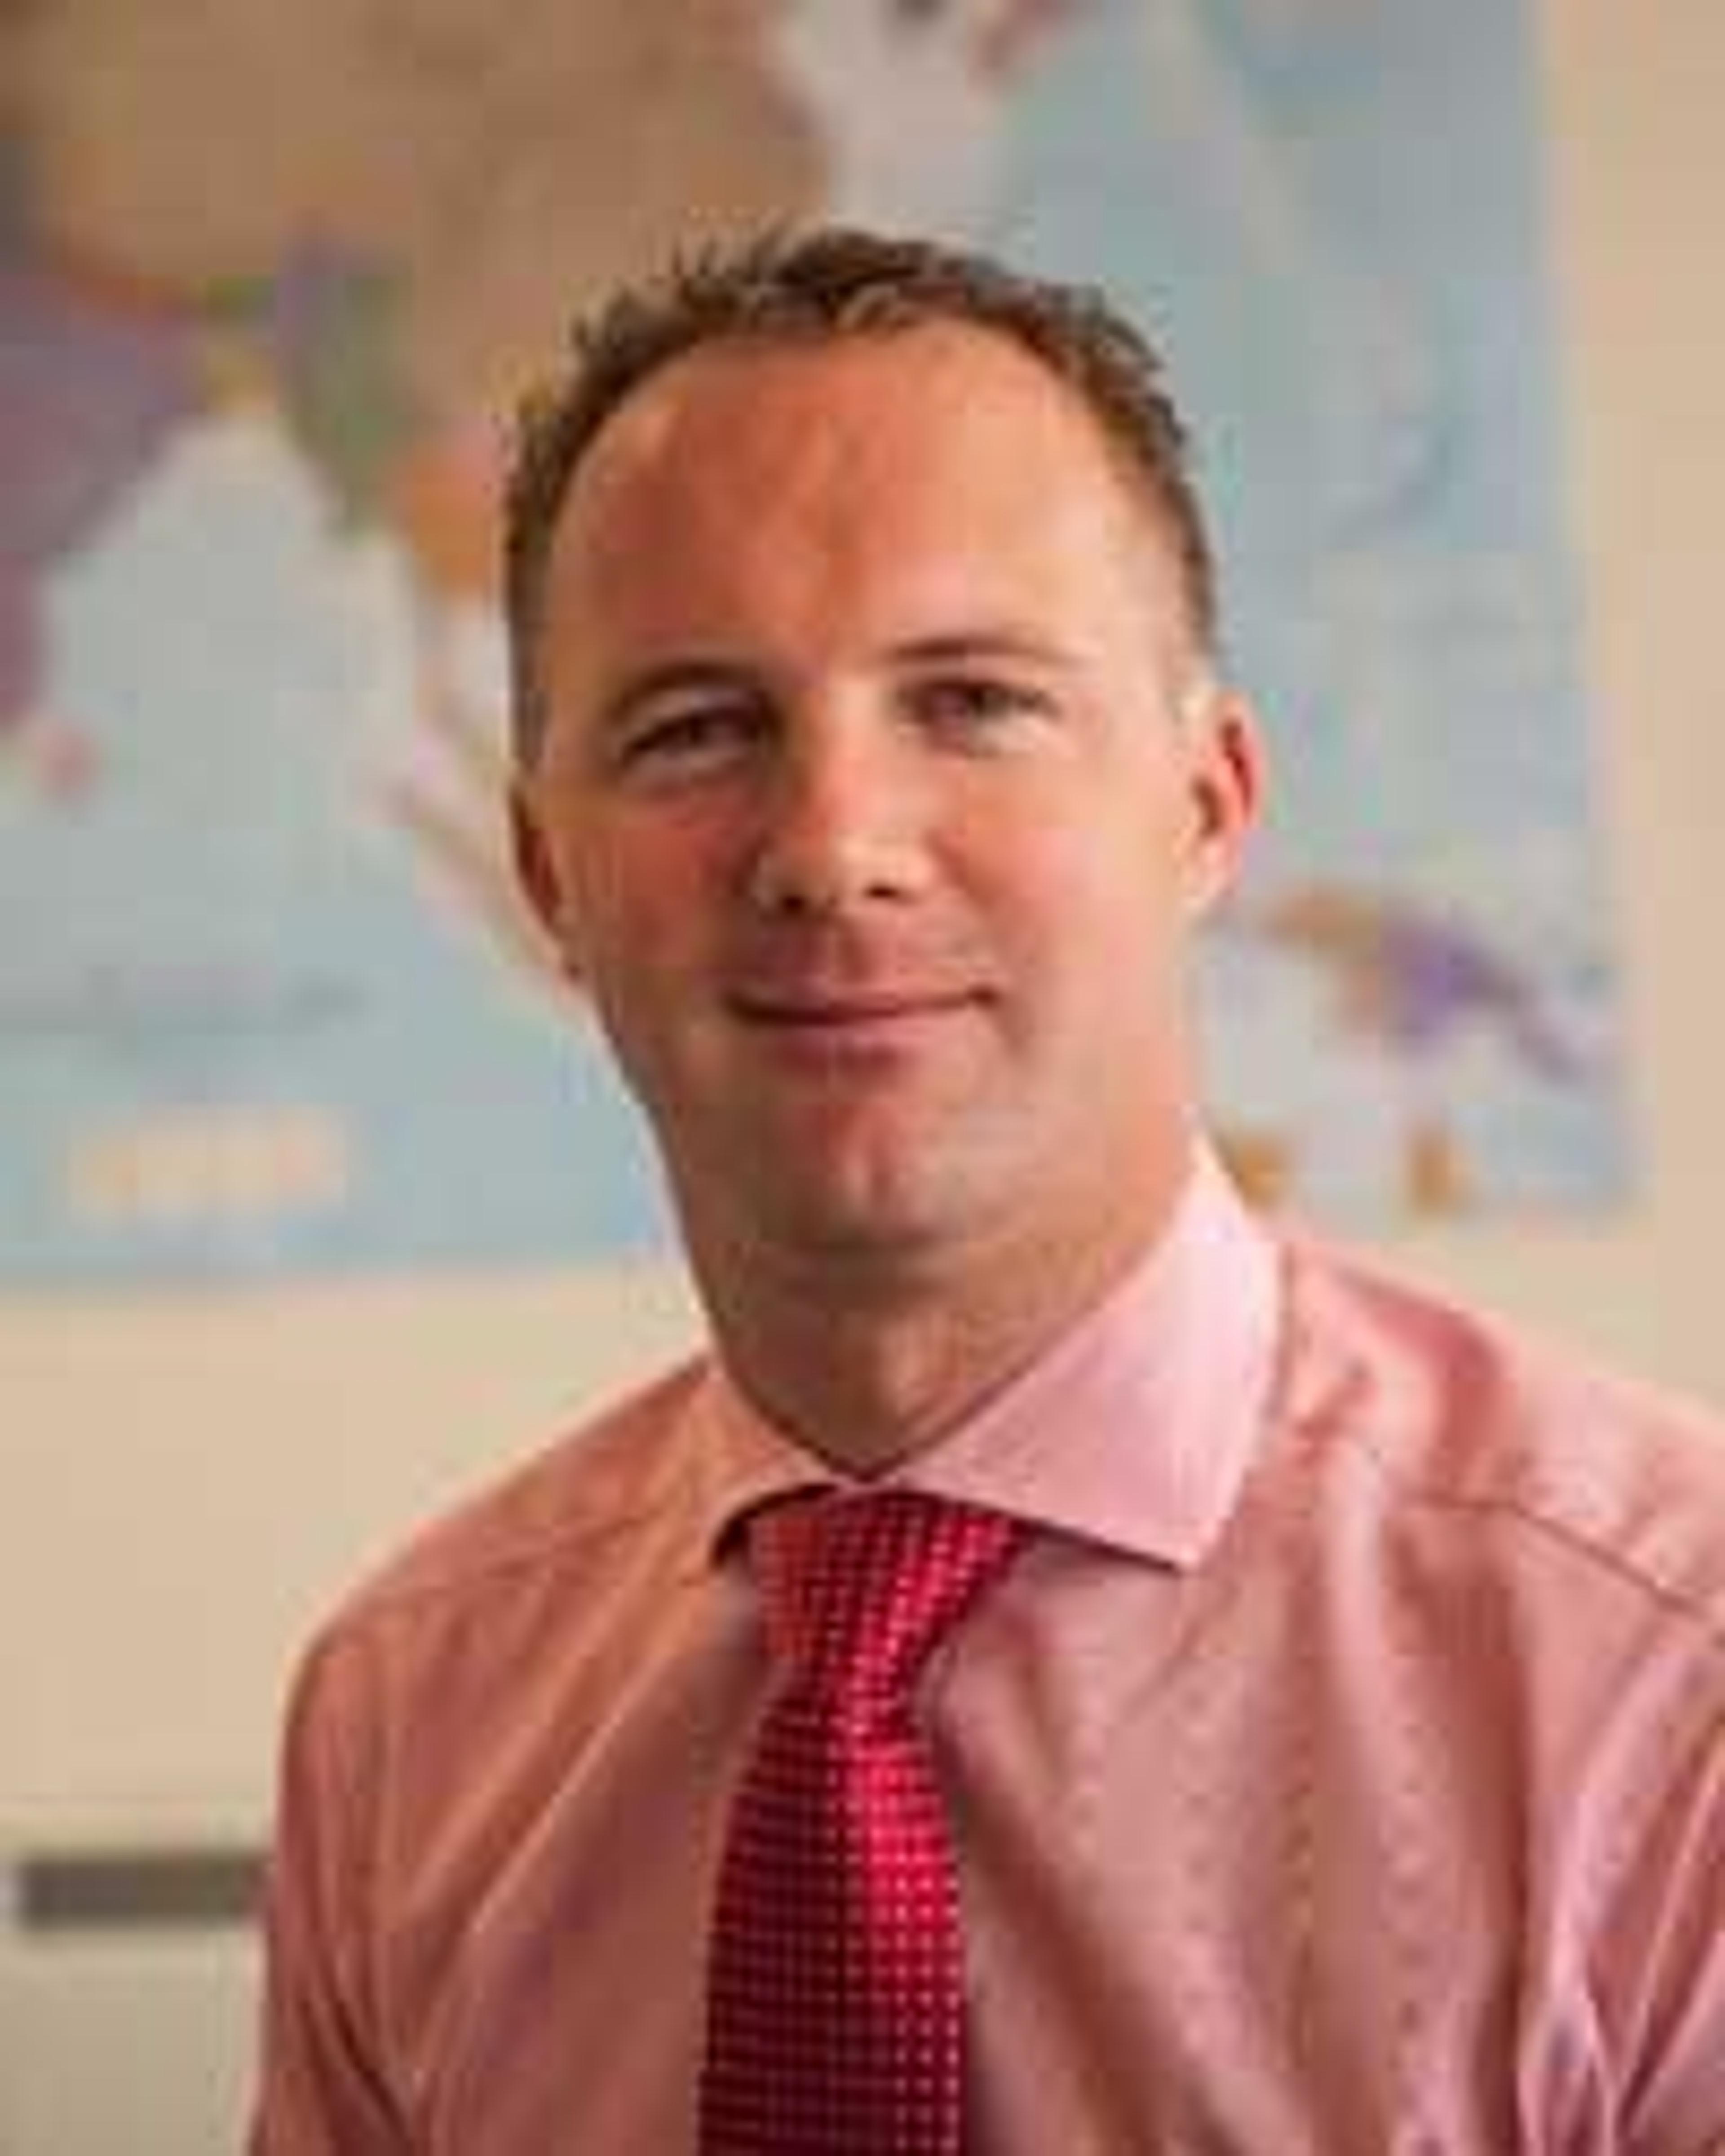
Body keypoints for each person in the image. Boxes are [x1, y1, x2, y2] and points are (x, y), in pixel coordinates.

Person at [249, 228, 1725, 2154]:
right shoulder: (406, 1726)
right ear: (547, 879)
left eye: (970, 702)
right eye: (697, 729)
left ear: (1207, 804)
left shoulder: (1664, 1680)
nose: (834, 847)